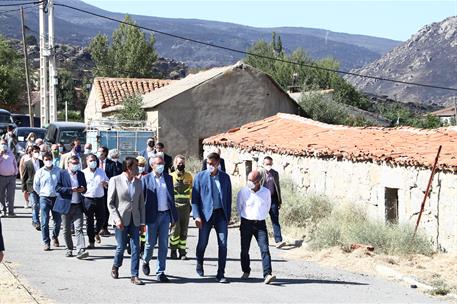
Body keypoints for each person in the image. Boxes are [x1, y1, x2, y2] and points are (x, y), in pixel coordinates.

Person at [192, 152, 232, 283]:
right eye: (208, 164)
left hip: (221, 215)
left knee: (223, 244)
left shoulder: (225, 178)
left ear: (218, 163)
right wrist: (197, 216)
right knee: (203, 243)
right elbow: (195, 200)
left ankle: (221, 273)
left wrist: (228, 216)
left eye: (213, 164)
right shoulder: (200, 177)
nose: (210, 166)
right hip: (205, 216)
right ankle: (199, 261)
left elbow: (228, 197)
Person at [108, 157, 145, 285]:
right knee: (121, 246)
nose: (138, 168)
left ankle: (134, 275)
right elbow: (111, 203)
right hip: (121, 220)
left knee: (136, 248)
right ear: (129, 168)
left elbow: (141, 204)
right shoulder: (115, 180)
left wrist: (142, 223)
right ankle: (116, 265)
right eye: (136, 166)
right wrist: (117, 219)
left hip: (135, 220)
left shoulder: (139, 182)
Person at [141, 156, 177, 282]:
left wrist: (174, 217)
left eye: (162, 163)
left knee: (163, 245)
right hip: (152, 216)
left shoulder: (168, 178)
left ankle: (160, 271)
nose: (161, 165)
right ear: (152, 165)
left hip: (165, 215)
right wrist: (142, 219)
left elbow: (171, 198)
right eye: (158, 163)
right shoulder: (145, 179)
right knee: (150, 244)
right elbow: (142, 199)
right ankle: (145, 260)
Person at [237, 170, 276, 284]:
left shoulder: (266, 192)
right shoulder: (243, 192)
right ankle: (246, 270)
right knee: (244, 250)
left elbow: (267, 207)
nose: (249, 182)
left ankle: (267, 274)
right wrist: (246, 218)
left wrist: (259, 216)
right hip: (246, 223)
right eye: (248, 180)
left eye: (252, 180)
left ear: (258, 181)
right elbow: (239, 207)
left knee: (265, 249)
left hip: (260, 224)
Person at [55, 156, 89, 259]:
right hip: (66, 205)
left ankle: (80, 250)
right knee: (66, 229)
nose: (75, 165)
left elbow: (85, 187)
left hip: (78, 205)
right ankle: (69, 249)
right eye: (73, 163)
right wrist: (70, 189)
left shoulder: (81, 174)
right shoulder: (62, 173)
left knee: (79, 228)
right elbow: (57, 188)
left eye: (77, 163)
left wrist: (82, 189)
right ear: (68, 164)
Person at [33, 152, 62, 251]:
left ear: (52, 159)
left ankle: (55, 236)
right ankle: (46, 242)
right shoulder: (40, 172)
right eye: (46, 159)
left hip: (56, 198)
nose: (48, 161)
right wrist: (41, 193)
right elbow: (36, 186)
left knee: (58, 221)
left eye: (49, 159)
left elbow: (62, 184)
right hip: (44, 198)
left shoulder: (58, 171)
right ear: (43, 160)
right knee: (44, 221)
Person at [83, 154, 109, 248]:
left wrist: (106, 183)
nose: (93, 162)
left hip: (100, 198)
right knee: (89, 221)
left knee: (101, 219)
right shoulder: (83, 172)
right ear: (86, 161)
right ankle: (91, 241)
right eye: (90, 160)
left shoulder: (101, 172)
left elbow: (108, 182)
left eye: (94, 160)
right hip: (88, 198)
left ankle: (96, 232)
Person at [169, 155, 193, 260]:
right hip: (175, 206)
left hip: (186, 206)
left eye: (182, 163)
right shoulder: (171, 176)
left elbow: (192, 191)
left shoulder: (189, 176)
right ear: (175, 164)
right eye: (179, 163)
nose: (181, 164)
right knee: (175, 230)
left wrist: (192, 205)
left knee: (184, 230)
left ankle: (182, 252)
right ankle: (173, 250)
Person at [262, 157, 286, 248]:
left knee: (275, 220)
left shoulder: (275, 173)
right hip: (263, 200)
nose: (269, 166)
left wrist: (279, 200)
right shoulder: (260, 173)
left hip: (273, 199)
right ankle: (263, 240)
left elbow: (278, 187)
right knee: (261, 220)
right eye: (267, 164)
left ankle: (278, 240)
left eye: (270, 164)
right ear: (263, 164)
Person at [21, 145, 43, 230]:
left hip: (41, 187)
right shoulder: (27, 163)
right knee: (34, 204)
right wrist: (24, 189)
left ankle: (34, 219)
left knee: (39, 205)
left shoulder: (41, 162)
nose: (37, 153)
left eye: (38, 152)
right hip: (31, 187)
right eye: (35, 152)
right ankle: (36, 222)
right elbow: (24, 176)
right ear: (31, 152)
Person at [99, 147, 118, 237]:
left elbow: (114, 176)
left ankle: (104, 227)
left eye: (101, 152)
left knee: (106, 209)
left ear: (105, 153)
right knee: (98, 208)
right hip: (96, 189)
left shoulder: (112, 164)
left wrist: (107, 182)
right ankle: (98, 226)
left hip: (107, 188)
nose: (99, 154)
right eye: (98, 152)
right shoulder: (94, 162)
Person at [0, 140, 18, 217]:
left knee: (10, 195)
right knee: (1, 195)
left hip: (11, 177)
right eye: (2, 144)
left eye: (5, 144)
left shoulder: (10, 153)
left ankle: (10, 211)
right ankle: (2, 210)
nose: (4, 145)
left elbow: (14, 163)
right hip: (1, 177)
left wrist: (15, 172)